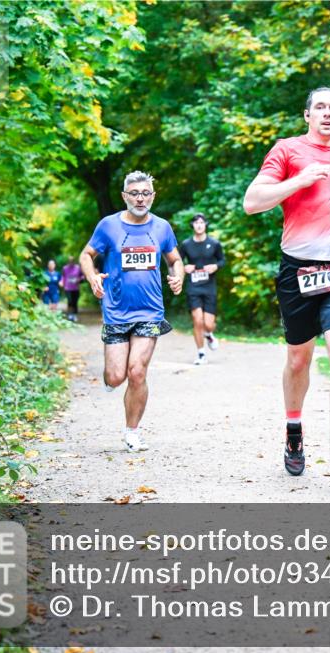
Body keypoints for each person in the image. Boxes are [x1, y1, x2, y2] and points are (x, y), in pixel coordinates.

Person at [243, 86, 330, 484]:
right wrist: (298, 181)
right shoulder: (287, 151)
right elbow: (253, 201)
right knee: (299, 359)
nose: (327, 114)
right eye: (320, 107)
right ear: (307, 115)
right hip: (298, 269)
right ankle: (294, 430)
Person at [79, 170, 183, 452]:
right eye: (135, 193)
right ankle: (111, 380)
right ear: (125, 196)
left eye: (145, 193)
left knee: (137, 371)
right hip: (115, 310)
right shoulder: (108, 226)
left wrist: (178, 276)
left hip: (149, 311)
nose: (140, 198)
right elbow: (86, 255)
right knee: (116, 376)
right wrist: (92, 277)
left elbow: (174, 259)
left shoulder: (162, 227)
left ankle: (132, 431)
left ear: (153, 196)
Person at [178, 213, 225, 364]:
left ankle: (209, 334)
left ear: (205, 225)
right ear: (192, 225)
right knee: (197, 320)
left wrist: (215, 266)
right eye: (196, 222)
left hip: (209, 287)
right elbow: (177, 262)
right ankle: (201, 354)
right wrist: (184, 267)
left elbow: (222, 260)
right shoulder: (186, 244)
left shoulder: (214, 243)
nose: (199, 225)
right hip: (193, 287)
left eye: (201, 222)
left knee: (208, 324)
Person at [61, 256, 84, 322]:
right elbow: (63, 276)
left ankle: (75, 314)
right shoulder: (65, 268)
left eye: (72, 261)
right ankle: (70, 314)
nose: (71, 262)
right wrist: (62, 282)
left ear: (74, 261)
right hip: (68, 288)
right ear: (68, 261)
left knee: (75, 302)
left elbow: (82, 276)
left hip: (76, 288)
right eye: (69, 261)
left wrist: (79, 279)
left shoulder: (78, 268)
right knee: (70, 301)